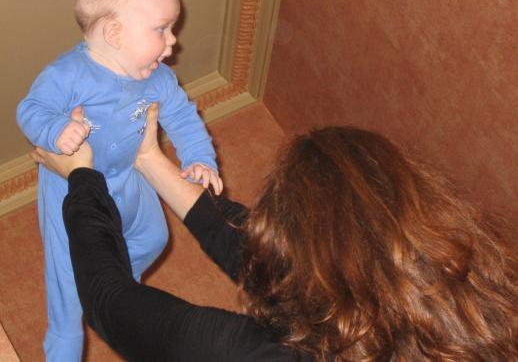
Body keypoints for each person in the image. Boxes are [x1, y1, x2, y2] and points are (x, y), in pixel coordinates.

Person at [33, 104, 518, 362]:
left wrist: (81, 177)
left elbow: (109, 300)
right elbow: (256, 254)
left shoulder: (247, 356)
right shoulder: (488, 310)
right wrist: (149, 160)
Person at [17, 0, 222, 361]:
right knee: (68, 294)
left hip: (127, 178)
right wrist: (56, 130)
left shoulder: (159, 78)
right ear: (114, 33)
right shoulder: (68, 75)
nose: (173, 42)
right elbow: (30, 109)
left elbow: (183, 117)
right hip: (69, 188)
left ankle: (117, 288)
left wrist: (200, 158)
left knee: (155, 237)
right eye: (161, 29)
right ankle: (64, 341)